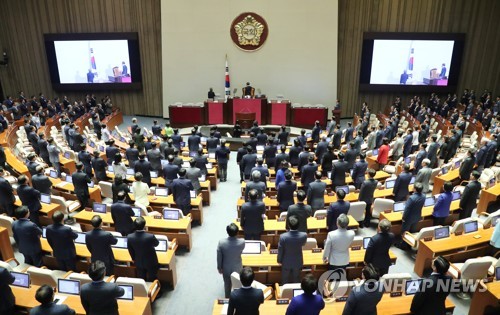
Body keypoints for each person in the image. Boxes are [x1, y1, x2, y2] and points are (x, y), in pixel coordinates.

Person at [217, 223, 245, 298]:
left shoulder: (221, 243)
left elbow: (219, 257)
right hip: (238, 267)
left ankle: (228, 300)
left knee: (227, 285)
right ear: (237, 232)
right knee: (238, 284)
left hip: (226, 268)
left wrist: (219, 268)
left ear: (227, 232)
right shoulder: (242, 242)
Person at [127, 217, 160, 281]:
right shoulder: (150, 236)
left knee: (141, 278)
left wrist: (133, 258)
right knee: (152, 277)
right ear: (144, 226)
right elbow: (156, 244)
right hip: (151, 261)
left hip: (138, 260)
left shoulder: (130, 237)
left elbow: (130, 249)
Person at [278, 216, 307, 284]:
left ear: (288, 225)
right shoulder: (304, 235)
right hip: (298, 260)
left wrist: (279, 260)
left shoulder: (283, 237)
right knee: (296, 280)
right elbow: (303, 244)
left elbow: (280, 250)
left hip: (286, 261)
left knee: (284, 280)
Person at [398, 183, 426, 247]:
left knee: (405, 232)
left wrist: (404, 217)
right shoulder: (424, 196)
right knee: (412, 231)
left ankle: (403, 245)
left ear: (415, 189)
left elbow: (407, 209)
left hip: (409, 218)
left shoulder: (411, 198)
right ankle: (409, 244)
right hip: (417, 216)